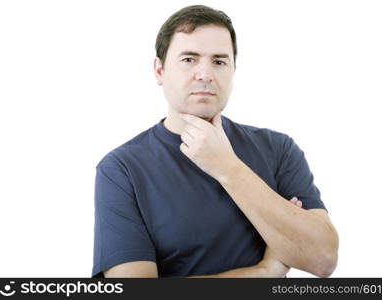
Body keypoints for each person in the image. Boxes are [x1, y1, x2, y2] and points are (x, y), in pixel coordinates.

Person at [91, 5, 339, 278]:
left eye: (219, 61)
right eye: (189, 59)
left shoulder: (278, 149)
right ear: (159, 71)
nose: (205, 74)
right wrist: (264, 273)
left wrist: (227, 167)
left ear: (233, 70)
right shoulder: (122, 169)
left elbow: (324, 259)